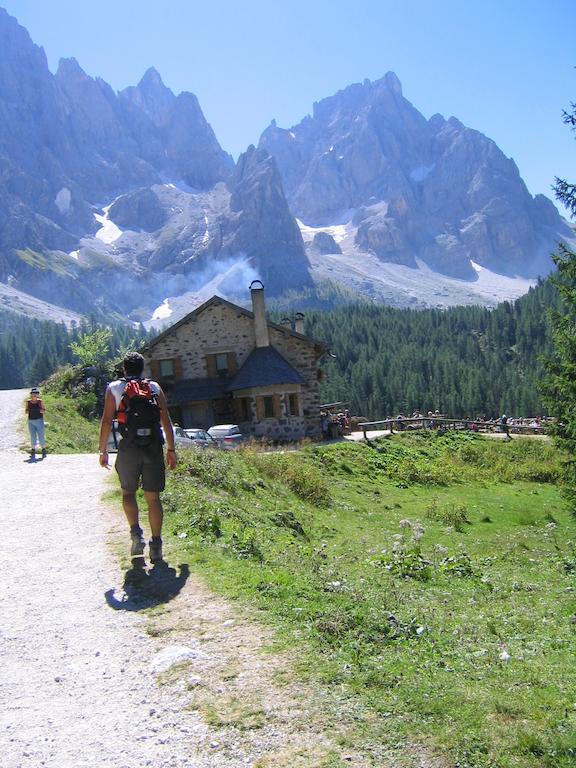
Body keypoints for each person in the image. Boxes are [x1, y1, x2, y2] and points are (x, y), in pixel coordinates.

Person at [98, 352, 177, 563]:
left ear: (124, 369)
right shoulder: (154, 388)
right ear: (143, 369)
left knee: (127, 493)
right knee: (153, 498)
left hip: (128, 448)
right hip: (152, 447)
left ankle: (136, 536)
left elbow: (107, 421)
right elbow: (166, 422)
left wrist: (103, 450)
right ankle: (157, 545)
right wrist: (171, 450)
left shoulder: (114, 388)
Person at [25, 387, 46, 459]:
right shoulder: (28, 402)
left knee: (41, 436)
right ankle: (33, 451)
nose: (35, 395)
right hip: (31, 421)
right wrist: (29, 411)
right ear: (31, 395)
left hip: (39, 420)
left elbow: (44, 410)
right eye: (33, 394)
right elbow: (26, 411)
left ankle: (43, 450)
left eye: (36, 393)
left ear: (37, 395)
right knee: (33, 436)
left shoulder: (40, 402)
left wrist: (41, 410)